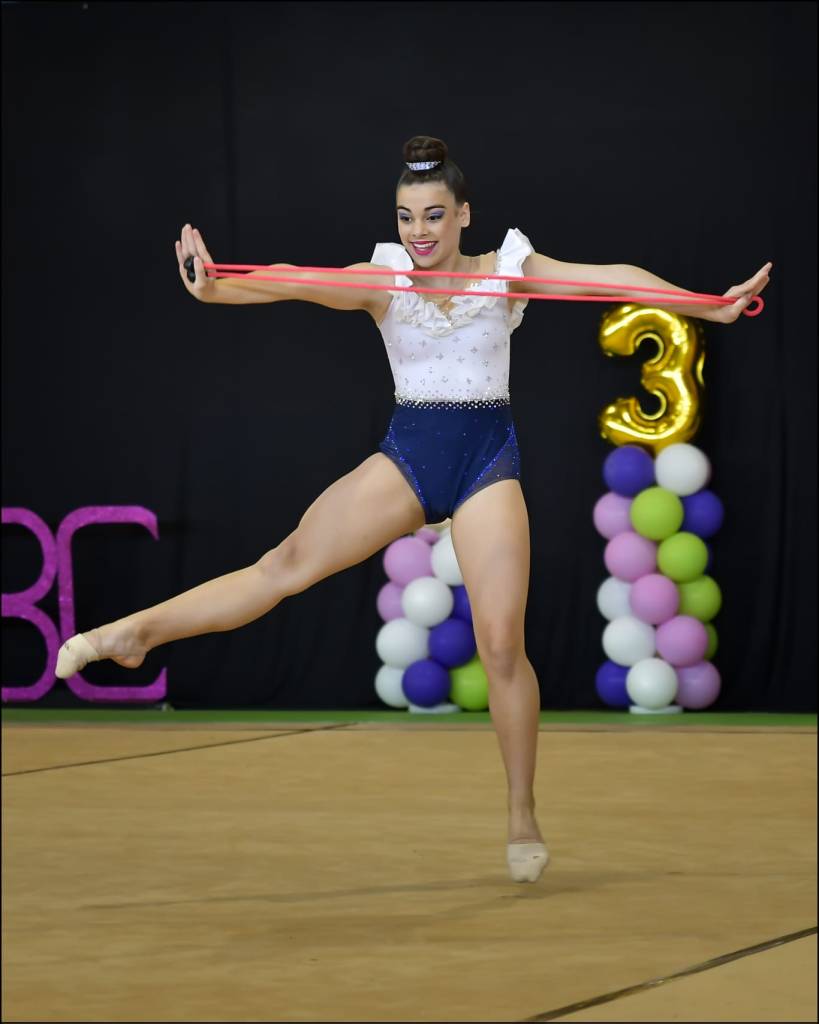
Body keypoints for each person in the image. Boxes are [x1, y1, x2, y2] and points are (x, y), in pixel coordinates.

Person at [56, 135, 771, 883]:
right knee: (283, 566)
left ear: (463, 214)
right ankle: (134, 633)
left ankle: (521, 811)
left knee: (502, 646)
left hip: (486, 466)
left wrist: (704, 306)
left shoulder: (509, 270)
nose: (419, 231)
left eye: (433, 215)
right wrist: (215, 288)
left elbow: (608, 279)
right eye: (405, 217)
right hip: (407, 459)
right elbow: (296, 281)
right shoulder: (386, 278)